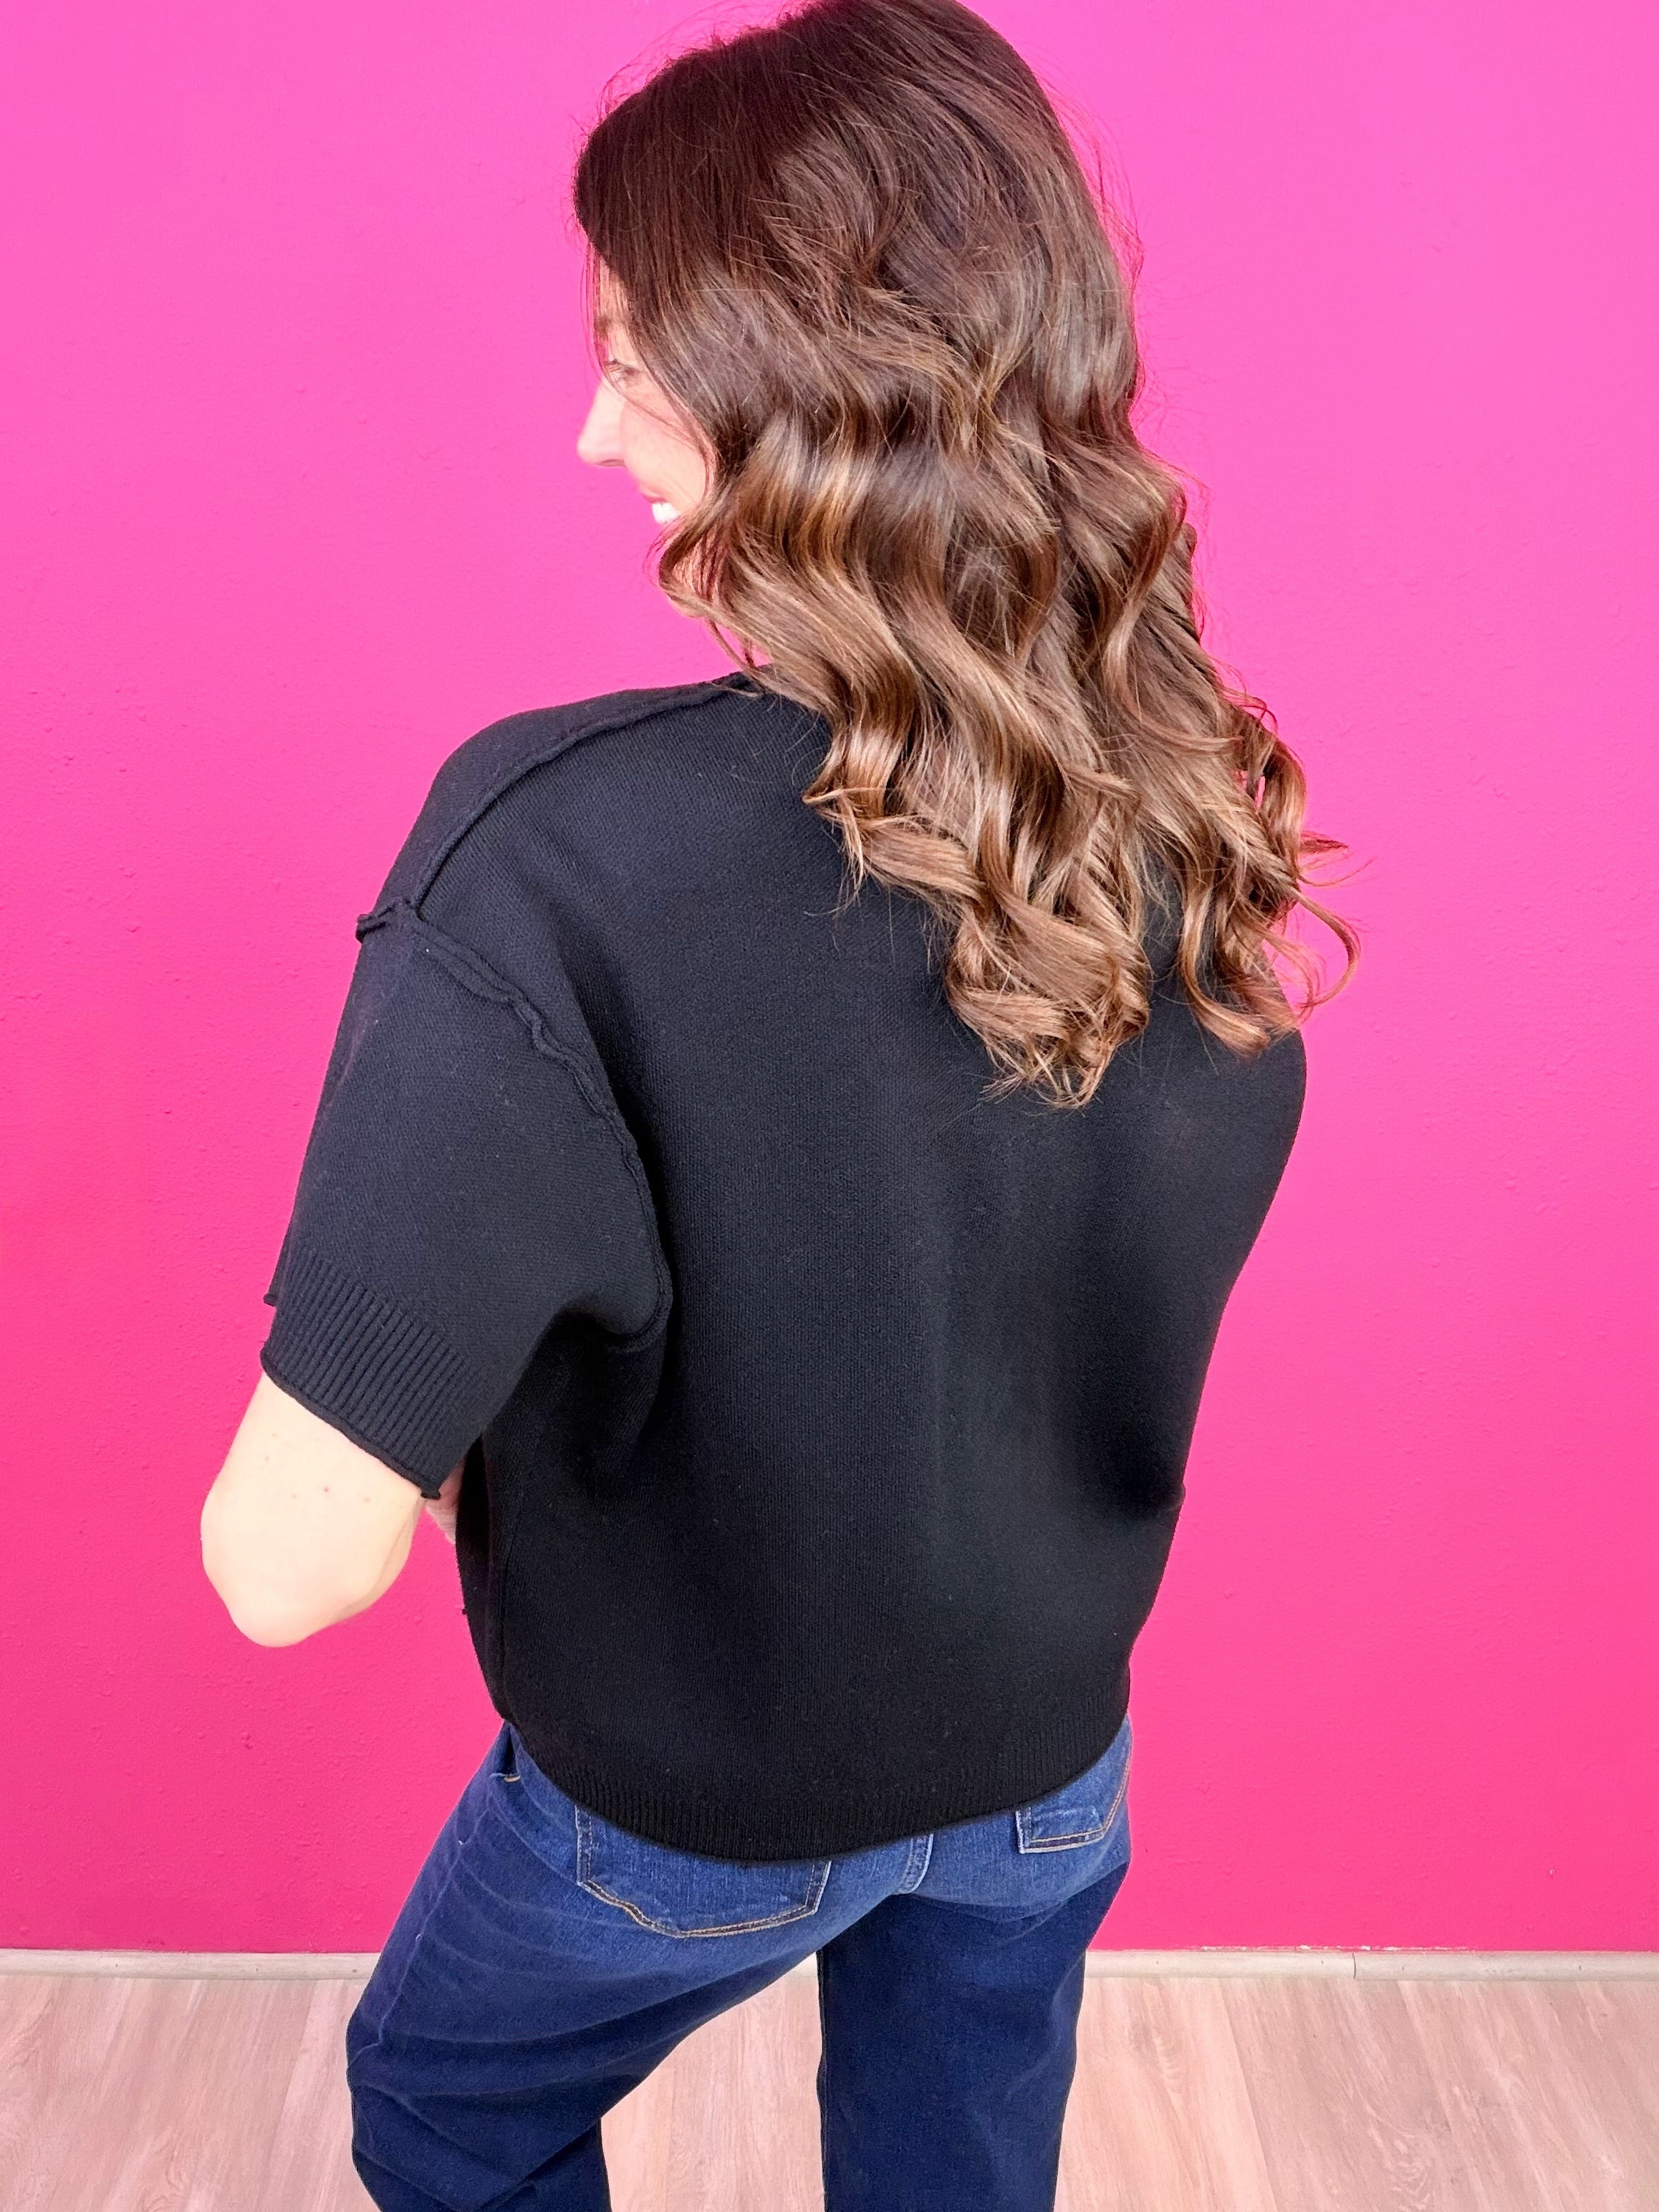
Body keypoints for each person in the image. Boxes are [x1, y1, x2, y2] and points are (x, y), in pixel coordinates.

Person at [200, 2, 1354, 2205]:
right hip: (1044, 1766)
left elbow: (281, 1565)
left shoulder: (547, 853)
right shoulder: (1180, 810)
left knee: (442, 2102)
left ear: (793, 389)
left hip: (687, 1808)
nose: (589, 431)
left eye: (631, 363)